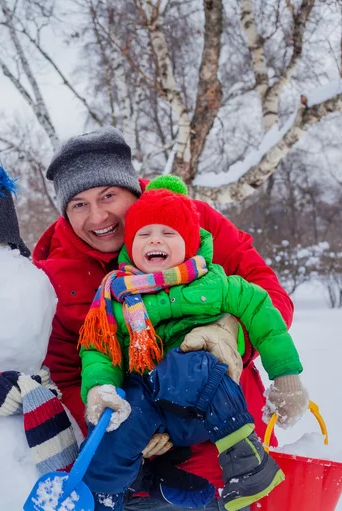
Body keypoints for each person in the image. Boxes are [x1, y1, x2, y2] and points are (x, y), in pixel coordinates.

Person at [32, 127, 296, 509]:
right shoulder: (55, 272)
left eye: (109, 195)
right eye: (79, 204)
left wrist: (231, 331)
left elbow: (268, 295)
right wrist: (110, 418)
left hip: (221, 456)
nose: (98, 216)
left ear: (132, 191)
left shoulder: (188, 219)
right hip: (137, 464)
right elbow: (66, 372)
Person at [78, 175, 308, 511]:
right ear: (131, 244)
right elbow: (99, 348)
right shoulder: (117, 295)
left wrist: (286, 376)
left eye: (168, 233)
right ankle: (103, 496)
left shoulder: (215, 282)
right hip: (152, 407)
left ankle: (246, 465)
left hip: (209, 402)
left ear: (188, 242)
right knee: (117, 421)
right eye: (144, 234)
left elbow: (265, 316)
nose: (155, 240)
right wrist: (99, 388)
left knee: (190, 362)